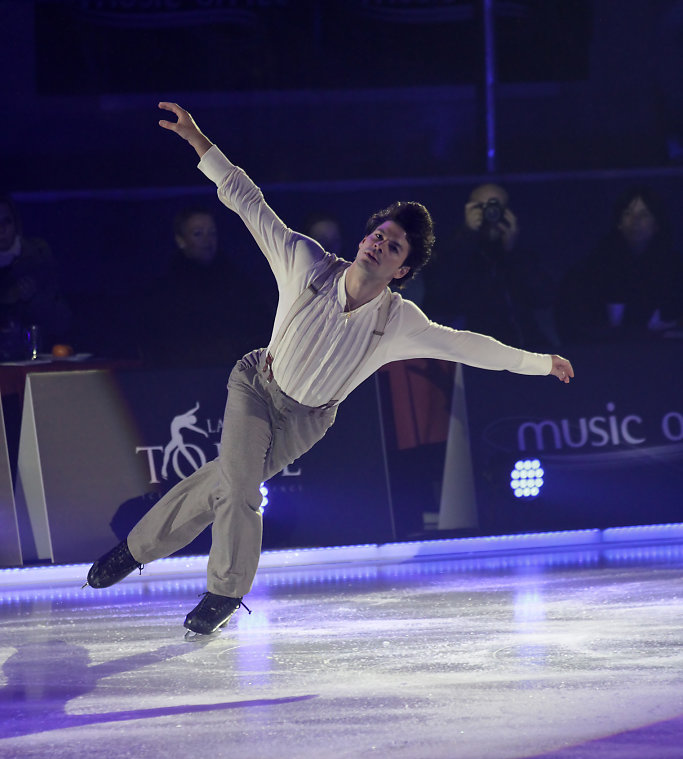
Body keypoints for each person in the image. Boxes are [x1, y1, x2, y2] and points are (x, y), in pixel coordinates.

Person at [86, 102, 574, 638]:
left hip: (305, 422)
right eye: (377, 235)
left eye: (392, 247)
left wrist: (539, 363)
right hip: (256, 385)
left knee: (220, 486)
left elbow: (468, 346)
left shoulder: (399, 321)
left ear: (401, 269)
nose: (378, 245)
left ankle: (133, 550)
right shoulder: (305, 261)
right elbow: (250, 204)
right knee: (241, 487)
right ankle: (224, 592)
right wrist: (199, 141)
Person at [424, 182, 557, 351]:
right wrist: (467, 235)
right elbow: (439, 294)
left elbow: (544, 297)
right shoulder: (451, 250)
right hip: (471, 353)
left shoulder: (521, 254)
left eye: (496, 207)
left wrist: (512, 252)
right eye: (481, 207)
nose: (490, 213)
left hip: (520, 350)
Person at [136, 205, 271, 368]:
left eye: (212, 233)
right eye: (197, 233)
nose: (207, 240)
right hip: (181, 375)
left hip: (231, 373)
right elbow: (160, 339)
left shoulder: (236, 282)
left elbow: (256, 326)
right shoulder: (166, 290)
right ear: (181, 240)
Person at [555, 185, 683, 346]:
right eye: (628, 213)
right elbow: (576, 322)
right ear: (619, 222)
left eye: (644, 215)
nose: (635, 221)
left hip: (661, 357)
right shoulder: (594, 267)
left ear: (657, 224)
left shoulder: (675, 268)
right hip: (604, 356)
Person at [0, 194, 71, 359]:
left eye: (6, 221)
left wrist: (33, 299)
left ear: (16, 224)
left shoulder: (37, 257)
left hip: (34, 356)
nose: (1, 229)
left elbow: (61, 320)